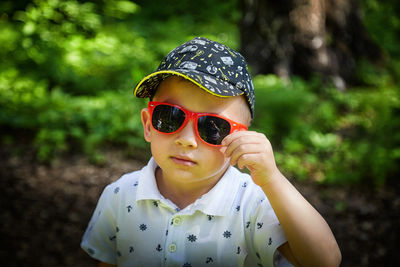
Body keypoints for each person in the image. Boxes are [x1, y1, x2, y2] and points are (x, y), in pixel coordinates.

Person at [81, 37, 341, 267]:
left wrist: (272, 178)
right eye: (170, 117)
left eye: (212, 127)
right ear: (148, 124)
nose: (187, 140)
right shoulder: (120, 195)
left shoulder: (252, 205)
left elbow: (325, 261)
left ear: (242, 138)